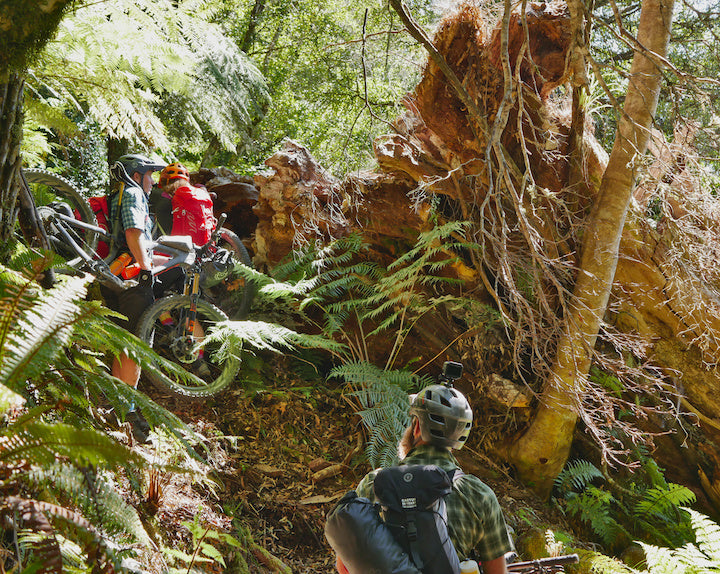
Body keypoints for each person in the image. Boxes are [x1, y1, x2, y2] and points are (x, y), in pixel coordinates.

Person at [338, 383, 514, 574]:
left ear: (417, 428)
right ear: (458, 438)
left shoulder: (374, 483)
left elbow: (344, 566)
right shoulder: (478, 494)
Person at [104, 153, 166, 442]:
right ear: (137, 174)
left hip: (114, 276)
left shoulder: (116, 193)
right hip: (131, 278)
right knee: (135, 346)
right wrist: (146, 267)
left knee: (121, 344)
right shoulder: (133, 193)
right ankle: (127, 411)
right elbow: (133, 232)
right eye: (150, 175)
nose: (153, 181)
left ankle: (120, 405)